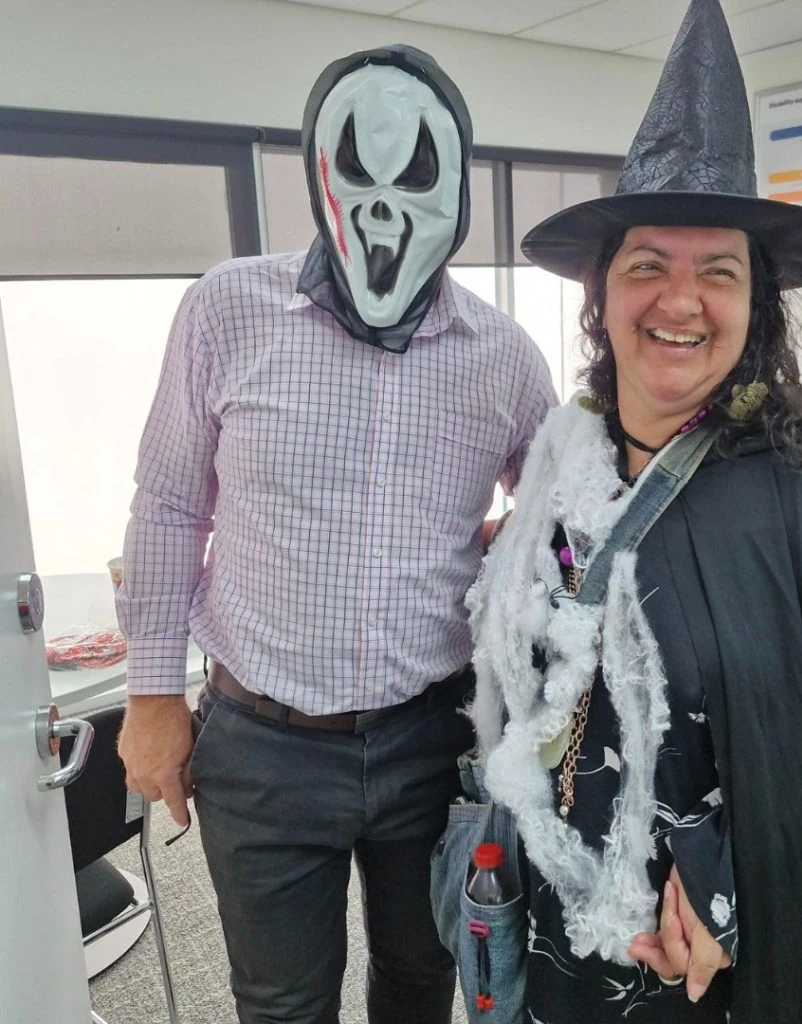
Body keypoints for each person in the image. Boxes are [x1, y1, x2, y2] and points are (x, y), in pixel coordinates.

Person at [465, 2, 802, 1021]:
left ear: (755, 303)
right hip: (553, 936)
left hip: (706, 976)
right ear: (602, 292)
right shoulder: (566, 452)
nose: (679, 300)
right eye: (648, 265)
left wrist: (735, 876)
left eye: (715, 271)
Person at [115, 44, 556, 1024]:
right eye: (360, 172)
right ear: (319, 174)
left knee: (419, 980)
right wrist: (150, 697)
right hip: (264, 747)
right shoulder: (227, 308)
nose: (387, 210)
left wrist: (507, 550)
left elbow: (565, 514)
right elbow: (168, 504)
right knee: (281, 1002)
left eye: (417, 179)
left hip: (431, 739)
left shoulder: (504, 357)